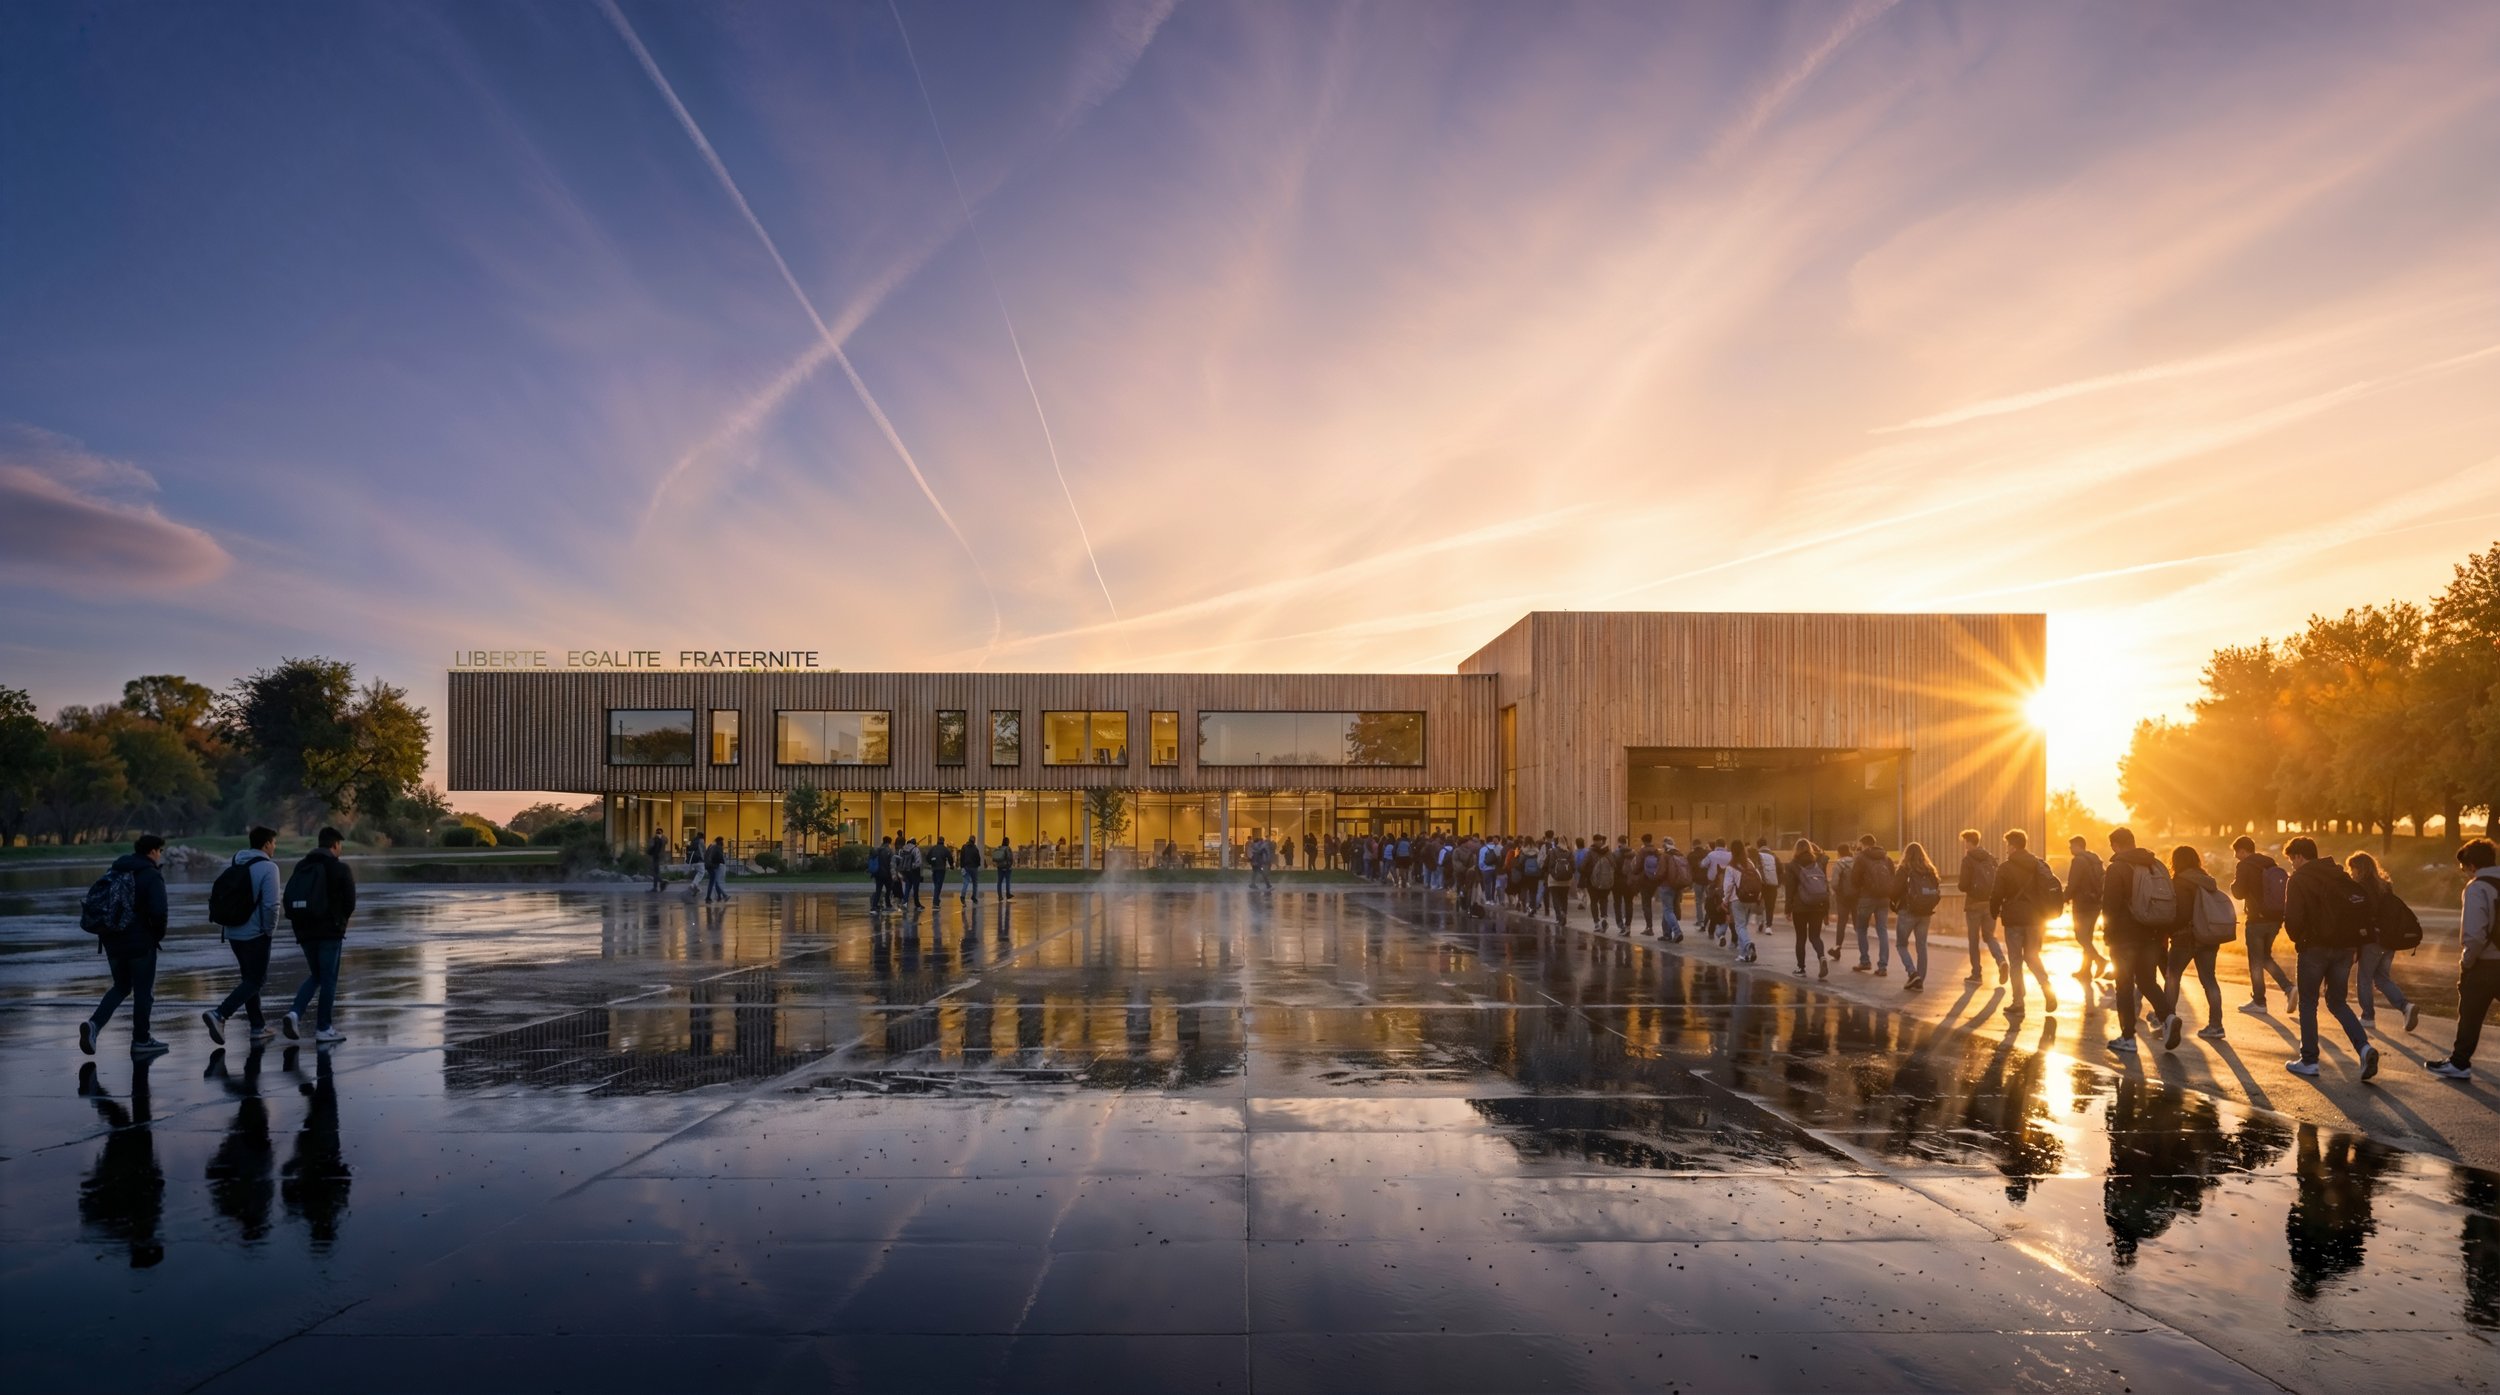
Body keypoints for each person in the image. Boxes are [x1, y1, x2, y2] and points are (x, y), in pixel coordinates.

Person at [2283, 835, 2377, 1081]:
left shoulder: (2299, 879)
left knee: (2308, 1002)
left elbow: (2292, 918)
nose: (2292, 864)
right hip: (2345, 948)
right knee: (2337, 1002)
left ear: (2300, 856)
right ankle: (2364, 1048)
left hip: (2314, 948)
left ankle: (2309, 1060)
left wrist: (2299, 940)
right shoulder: (2340, 875)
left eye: (2292, 858)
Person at [80, 834, 172, 1058]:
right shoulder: (151, 875)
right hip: (140, 943)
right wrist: (156, 936)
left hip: (111, 941)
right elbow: (159, 912)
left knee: (121, 986)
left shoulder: (117, 870)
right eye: (160, 851)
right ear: (152, 851)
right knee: (143, 992)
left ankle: (94, 1026)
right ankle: (141, 1040)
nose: (160, 855)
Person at [2101, 827, 2181, 1055]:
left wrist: (2108, 934)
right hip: (2152, 934)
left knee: (2124, 986)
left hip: (2124, 937)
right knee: (2147, 981)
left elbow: (2110, 905)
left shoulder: (2117, 868)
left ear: (2116, 845)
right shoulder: (2154, 864)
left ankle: (2128, 1038)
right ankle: (2168, 1017)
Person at [204, 826, 283, 1046]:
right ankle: (220, 1014)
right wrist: (269, 930)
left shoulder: (237, 861)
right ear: (266, 844)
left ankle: (258, 1027)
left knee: (249, 979)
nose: (275, 847)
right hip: (255, 933)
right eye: (274, 843)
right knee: (256, 980)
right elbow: (271, 905)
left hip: (232, 931)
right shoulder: (269, 868)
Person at [2428, 837, 2499, 1079]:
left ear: (2471, 865)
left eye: (2463, 868)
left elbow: (2475, 934)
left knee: (2470, 1013)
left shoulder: (2477, 888)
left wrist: (2466, 961)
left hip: (2485, 963)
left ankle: (2459, 1063)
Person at [281, 826, 357, 1046]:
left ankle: (295, 1013)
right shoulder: (339, 868)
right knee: (329, 979)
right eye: (339, 845)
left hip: (304, 931)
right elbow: (350, 902)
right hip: (329, 932)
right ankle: (323, 1028)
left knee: (316, 974)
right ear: (335, 845)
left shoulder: (301, 866)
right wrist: (340, 924)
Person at [1990, 831, 2060, 1020]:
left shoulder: (2005, 868)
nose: (2006, 850)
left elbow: (1997, 893)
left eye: (2007, 846)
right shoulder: (2038, 864)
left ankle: (2018, 1002)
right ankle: (2048, 990)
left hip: (2014, 920)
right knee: (2032, 956)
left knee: (2015, 961)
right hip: (2036, 919)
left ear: (2012, 846)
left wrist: (1993, 911)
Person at [2345, 852, 2419, 1031]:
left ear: (2359, 868)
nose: (2351, 872)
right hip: (2390, 939)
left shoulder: (2361, 887)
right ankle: (2406, 1007)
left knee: (2364, 978)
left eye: (2352, 868)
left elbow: (2360, 915)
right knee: (2381, 978)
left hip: (2372, 940)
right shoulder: (2385, 885)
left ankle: (2367, 1016)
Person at [2164, 845, 2227, 1039]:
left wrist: (2168, 930)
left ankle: (2167, 1020)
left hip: (2185, 937)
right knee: (2209, 980)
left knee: (2172, 978)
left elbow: (2182, 914)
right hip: (2208, 937)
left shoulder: (2180, 882)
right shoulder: (2207, 881)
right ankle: (2216, 1025)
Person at [2230, 835, 2295, 1014]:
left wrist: (2233, 884)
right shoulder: (2269, 863)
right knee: (2265, 957)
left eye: (2237, 852)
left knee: (2255, 962)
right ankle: (2288, 989)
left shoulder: (2244, 865)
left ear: (2243, 850)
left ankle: (2259, 1001)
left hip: (2257, 920)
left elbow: (2239, 893)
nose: (2236, 856)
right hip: (2275, 919)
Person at [1957, 829, 2008, 987]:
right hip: (1989, 904)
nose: (1965, 846)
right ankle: (2001, 961)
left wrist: (1967, 886)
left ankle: (1976, 974)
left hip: (1973, 905)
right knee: (1989, 936)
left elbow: (1963, 885)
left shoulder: (1968, 860)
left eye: (1965, 842)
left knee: (1973, 940)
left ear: (1969, 842)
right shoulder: (1990, 858)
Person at [1892, 841, 1942, 991]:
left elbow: (1894, 890)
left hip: (1908, 911)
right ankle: (1920, 980)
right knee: (1922, 946)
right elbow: (1936, 889)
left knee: (1901, 944)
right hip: (1925, 913)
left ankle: (1912, 973)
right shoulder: (1930, 870)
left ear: (1906, 855)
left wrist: (1894, 903)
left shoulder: (1904, 870)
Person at [2067, 835, 2107, 993]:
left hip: (2082, 904)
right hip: (2095, 903)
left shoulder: (2078, 860)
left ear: (2078, 845)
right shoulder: (2095, 859)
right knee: (2087, 937)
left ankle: (2100, 960)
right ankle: (2085, 971)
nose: (2070, 849)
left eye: (2071, 846)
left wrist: (2063, 898)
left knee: (2080, 936)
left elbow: (2073, 883)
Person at [1786, 838, 1831, 977]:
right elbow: (1825, 886)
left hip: (1800, 907)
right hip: (1818, 905)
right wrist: (1826, 910)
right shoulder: (1817, 864)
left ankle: (1801, 968)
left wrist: (1788, 909)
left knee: (1801, 938)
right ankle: (1822, 957)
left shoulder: (1793, 865)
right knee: (1815, 936)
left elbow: (1790, 889)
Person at [1849, 837, 1893, 976]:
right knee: (1882, 931)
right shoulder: (1886, 857)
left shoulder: (1861, 858)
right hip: (1884, 898)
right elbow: (1893, 876)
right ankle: (1883, 966)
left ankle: (1865, 961)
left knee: (1861, 929)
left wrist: (1860, 891)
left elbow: (1854, 879)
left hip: (1866, 897)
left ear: (1863, 844)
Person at [868, 836, 893, 913]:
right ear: (889, 842)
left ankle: (874, 906)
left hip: (878, 873)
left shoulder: (877, 850)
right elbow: (891, 864)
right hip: (886, 874)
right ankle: (888, 904)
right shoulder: (889, 851)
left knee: (878, 890)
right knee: (889, 889)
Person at [704, 835, 730, 902]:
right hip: (711, 865)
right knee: (714, 881)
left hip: (707, 865)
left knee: (714, 881)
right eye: (722, 841)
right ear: (720, 842)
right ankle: (709, 897)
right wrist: (722, 863)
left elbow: (706, 854)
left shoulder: (711, 846)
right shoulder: (718, 847)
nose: (723, 843)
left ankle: (719, 896)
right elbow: (719, 857)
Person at [927, 834, 953, 901]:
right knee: (939, 884)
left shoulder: (933, 848)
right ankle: (935, 899)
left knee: (936, 883)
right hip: (941, 868)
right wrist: (951, 865)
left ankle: (936, 897)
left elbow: (927, 856)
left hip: (934, 868)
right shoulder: (945, 849)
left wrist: (931, 863)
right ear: (943, 841)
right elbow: (950, 857)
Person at [959, 835, 983, 902]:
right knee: (975, 883)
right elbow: (978, 858)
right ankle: (974, 896)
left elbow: (961, 857)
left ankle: (963, 896)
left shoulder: (964, 847)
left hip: (966, 867)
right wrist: (978, 865)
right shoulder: (975, 848)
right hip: (974, 867)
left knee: (966, 882)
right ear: (974, 841)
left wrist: (962, 866)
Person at [646, 828, 668, 893]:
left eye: (658, 832)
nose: (658, 834)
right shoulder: (663, 839)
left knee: (653, 872)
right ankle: (655, 887)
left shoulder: (656, 839)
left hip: (656, 857)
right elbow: (666, 841)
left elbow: (651, 846)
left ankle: (662, 882)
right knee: (656, 872)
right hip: (659, 857)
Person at [994, 835, 1015, 899]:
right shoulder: (1008, 849)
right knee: (1007, 881)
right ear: (1008, 842)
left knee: (999, 882)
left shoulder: (999, 848)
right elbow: (1010, 858)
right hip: (1007, 867)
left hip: (1000, 867)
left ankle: (1000, 896)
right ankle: (1008, 894)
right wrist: (1010, 864)